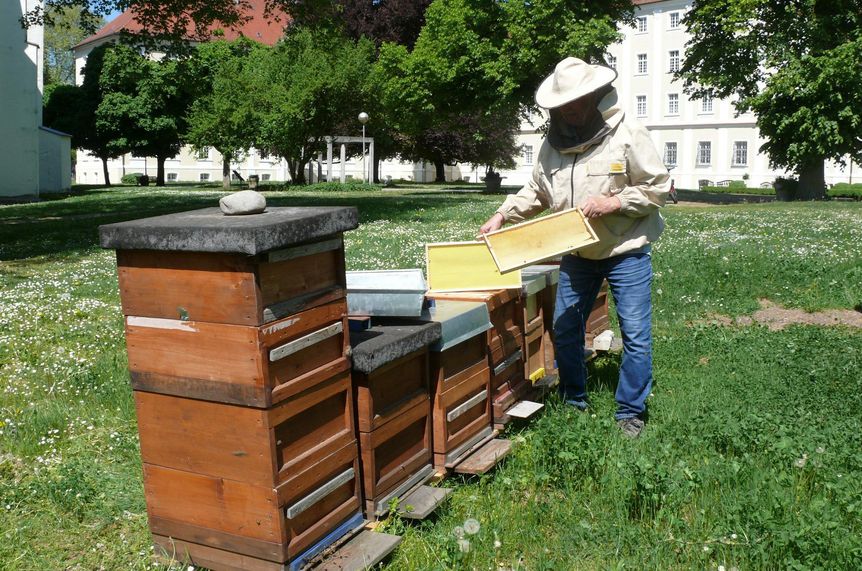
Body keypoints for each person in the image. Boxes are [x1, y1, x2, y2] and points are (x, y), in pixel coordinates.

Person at [479, 57, 670, 438]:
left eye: (576, 99)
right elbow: (536, 191)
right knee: (564, 329)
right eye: (562, 103)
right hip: (578, 255)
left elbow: (659, 188)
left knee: (635, 335)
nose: (570, 108)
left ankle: (629, 413)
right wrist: (502, 215)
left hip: (626, 250)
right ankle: (573, 401)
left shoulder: (628, 132)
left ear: (593, 94)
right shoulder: (551, 146)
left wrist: (613, 203)